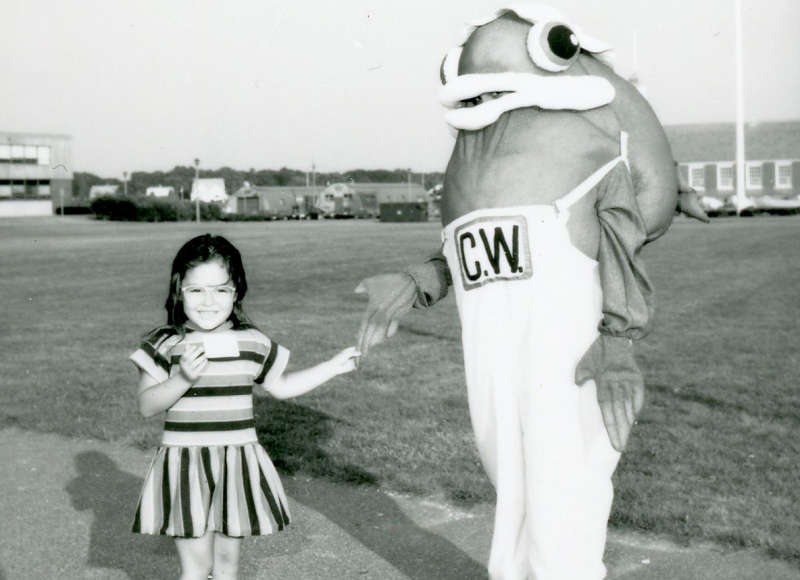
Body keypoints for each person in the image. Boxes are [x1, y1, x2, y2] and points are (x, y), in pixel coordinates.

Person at [356, 5, 677, 580]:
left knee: (565, 488)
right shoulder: (469, 162)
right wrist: (418, 281)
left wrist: (619, 342)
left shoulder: (589, 149)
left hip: (569, 356)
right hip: (493, 357)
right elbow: (469, 253)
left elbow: (624, 236)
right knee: (512, 488)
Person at [130, 233, 359, 580]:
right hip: (184, 464)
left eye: (220, 290)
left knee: (226, 568)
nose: (209, 302)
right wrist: (183, 379)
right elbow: (147, 406)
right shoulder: (164, 342)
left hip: (235, 465)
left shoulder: (252, 342)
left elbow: (281, 387)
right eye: (196, 290)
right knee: (195, 570)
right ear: (179, 290)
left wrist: (331, 367)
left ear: (236, 291)